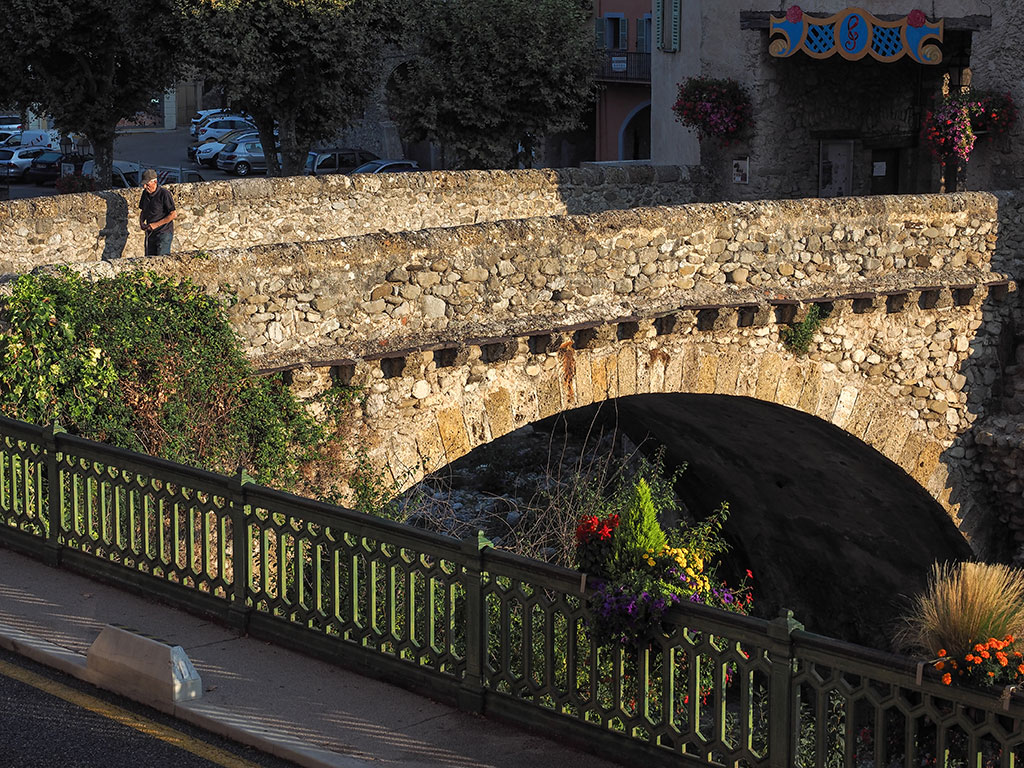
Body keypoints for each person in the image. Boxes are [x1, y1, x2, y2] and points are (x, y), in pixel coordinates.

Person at [139, 169, 177, 255]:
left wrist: (156, 225)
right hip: (150, 233)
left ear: (155, 182)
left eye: (147, 184)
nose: (145, 187)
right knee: (149, 259)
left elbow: (173, 214)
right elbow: (143, 211)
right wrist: (141, 223)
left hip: (164, 233)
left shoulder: (164, 194)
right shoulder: (145, 194)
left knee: (161, 259)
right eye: (144, 184)